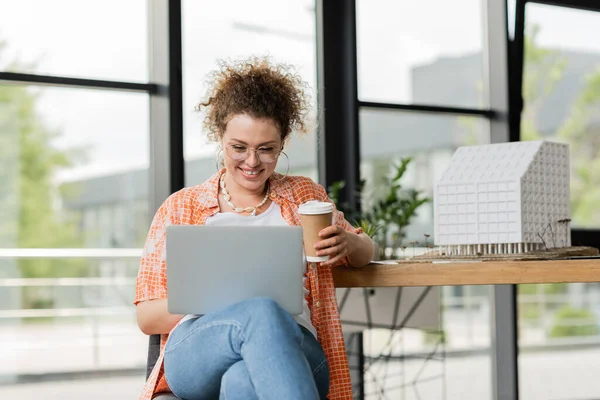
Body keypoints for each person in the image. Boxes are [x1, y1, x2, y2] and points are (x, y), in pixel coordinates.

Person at [135, 56, 374, 400]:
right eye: (239, 148)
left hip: (299, 346)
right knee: (261, 310)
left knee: (244, 382)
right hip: (199, 350)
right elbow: (147, 317)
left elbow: (368, 251)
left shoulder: (303, 196)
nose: (251, 162)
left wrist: (350, 245)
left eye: (266, 150)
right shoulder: (180, 207)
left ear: (283, 143)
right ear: (220, 137)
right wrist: (226, 299)